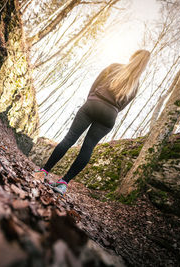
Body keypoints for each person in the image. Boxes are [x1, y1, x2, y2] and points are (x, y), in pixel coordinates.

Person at [34, 50, 151, 195]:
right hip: (110, 115)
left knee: (69, 139)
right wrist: (110, 111)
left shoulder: (115, 67)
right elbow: (122, 106)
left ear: (133, 57)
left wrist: (91, 100)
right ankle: (63, 183)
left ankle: (43, 172)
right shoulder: (135, 85)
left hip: (93, 104)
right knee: (87, 149)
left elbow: (95, 84)